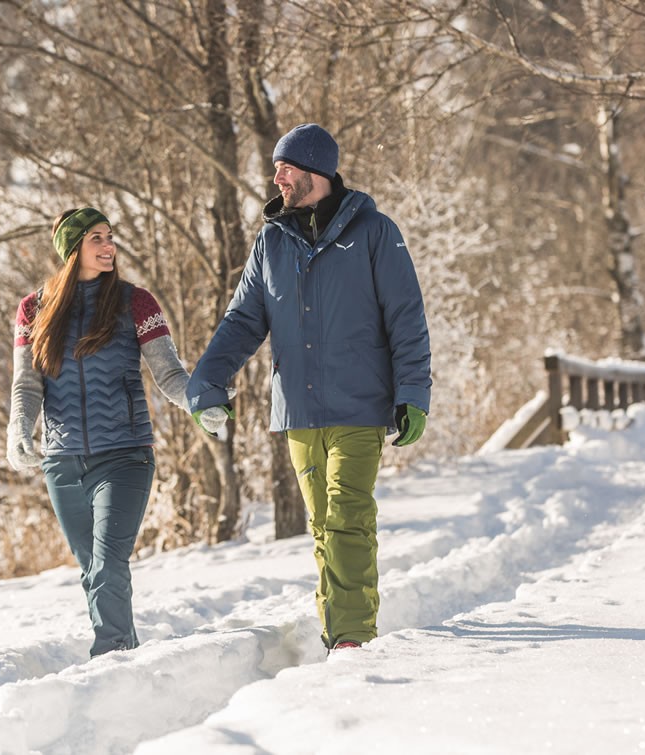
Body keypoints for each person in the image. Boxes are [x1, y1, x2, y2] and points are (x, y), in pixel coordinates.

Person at [186, 124, 432, 651]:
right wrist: (207, 380)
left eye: (286, 167)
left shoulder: (373, 231)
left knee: (347, 517)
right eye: (277, 167)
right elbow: (242, 321)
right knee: (322, 526)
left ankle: (351, 637)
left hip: (359, 405)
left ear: (315, 172)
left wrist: (413, 393)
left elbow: (406, 318)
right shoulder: (271, 241)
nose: (277, 177)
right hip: (297, 408)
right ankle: (337, 628)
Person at [6, 207, 230, 657]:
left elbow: (169, 374)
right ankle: (124, 654)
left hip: (125, 455)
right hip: (63, 461)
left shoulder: (135, 302)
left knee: (108, 564)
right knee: (91, 568)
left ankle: (108, 656)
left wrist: (199, 403)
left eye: (110, 237)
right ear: (73, 249)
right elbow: (27, 382)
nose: (109, 247)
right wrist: (18, 427)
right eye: (96, 239)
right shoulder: (34, 309)